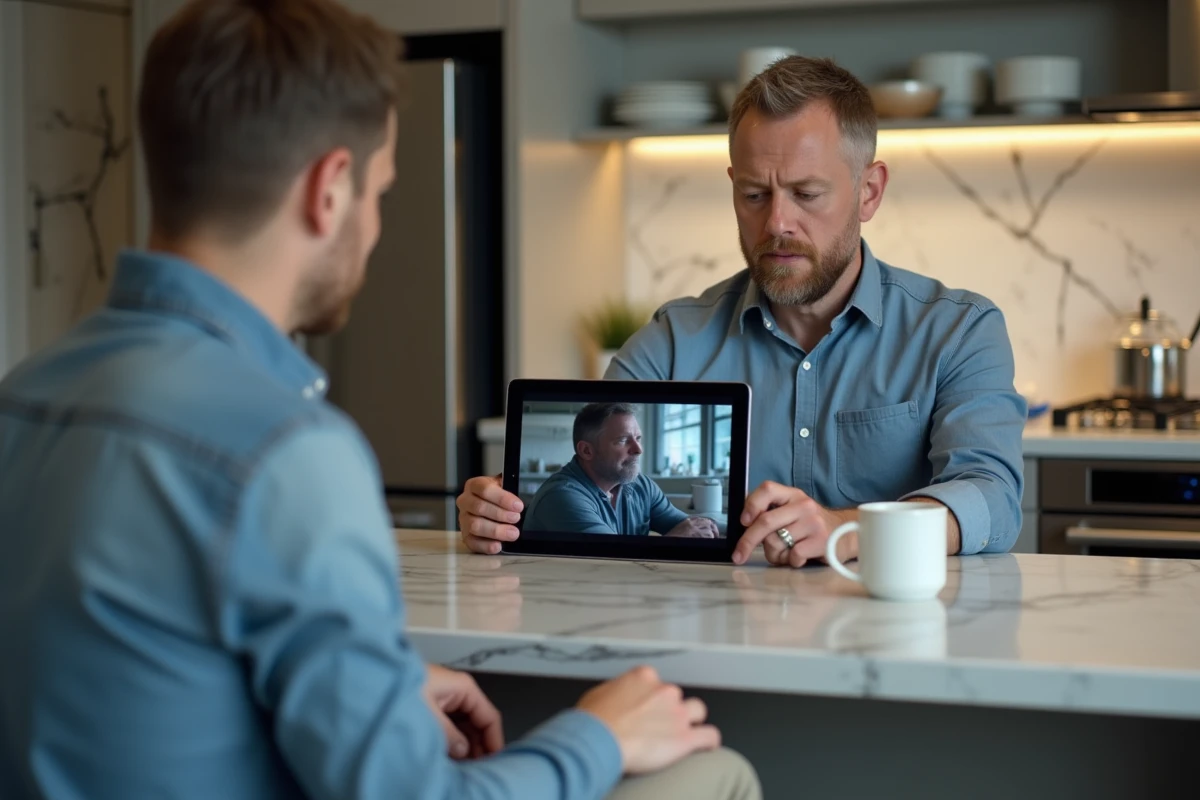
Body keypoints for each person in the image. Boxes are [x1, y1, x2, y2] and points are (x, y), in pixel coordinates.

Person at [0, 2, 761, 799]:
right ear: (330, 190)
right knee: (715, 773)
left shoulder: (24, 399)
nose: (372, 230)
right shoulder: (287, 454)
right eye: (381, 194)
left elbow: (146, 686)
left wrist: (377, 681)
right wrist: (598, 734)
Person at [458, 56, 1026, 570]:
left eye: (806, 194)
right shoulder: (675, 338)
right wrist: (500, 512)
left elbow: (991, 497)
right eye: (755, 195)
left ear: (868, 192)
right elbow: (590, 476)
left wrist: (848, 528)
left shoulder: (959, 330)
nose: (777, 222)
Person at [524, 403, 721, 538]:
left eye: (638, 438)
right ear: (586, 450)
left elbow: (687, 526)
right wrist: (676, 539)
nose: (638, 450)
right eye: (623, 441)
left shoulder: (640, 485)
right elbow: (612, 562)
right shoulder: (562, 496)